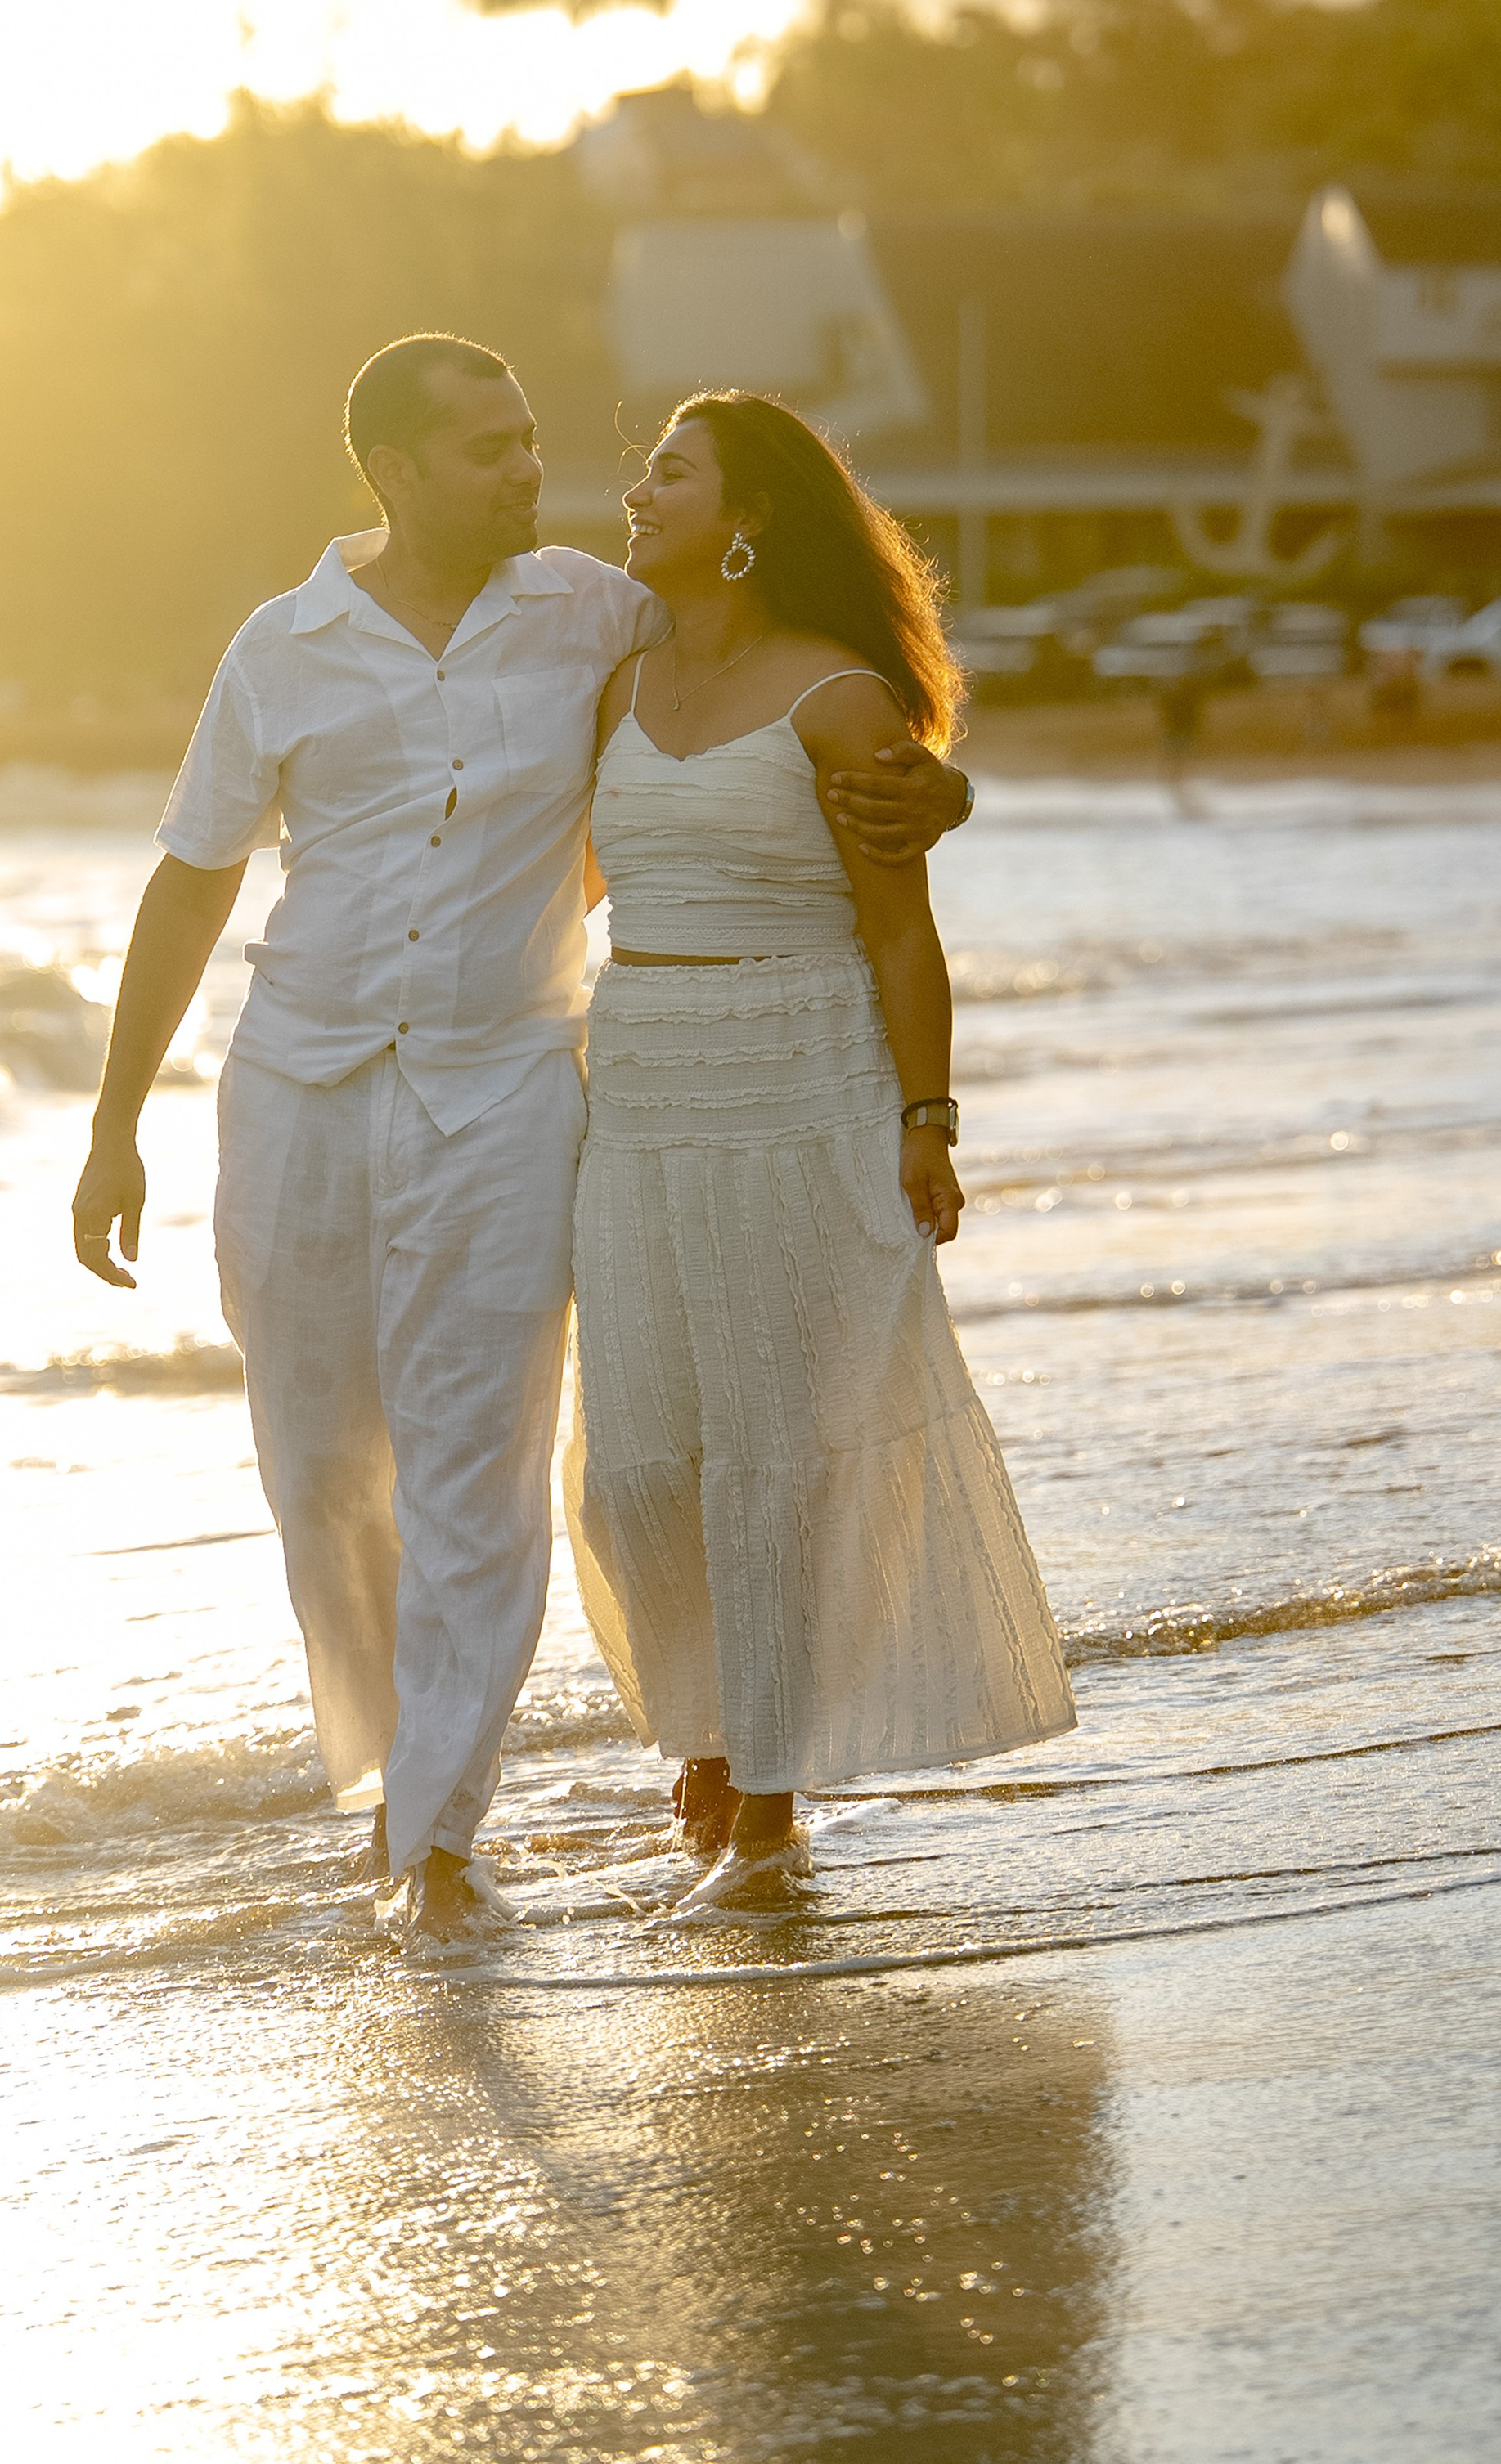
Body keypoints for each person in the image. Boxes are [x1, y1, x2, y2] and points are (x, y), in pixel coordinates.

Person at [71, 338, 973, 1944]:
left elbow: (779, 691)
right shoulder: (281, 646)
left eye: (530, 438)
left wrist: (939, 795)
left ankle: (433, 1841)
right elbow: (193, 878)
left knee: (476, 1472)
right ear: (396, 471)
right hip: (297, 1086)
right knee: (321, 1472)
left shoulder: (594, 610)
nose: (532, 471)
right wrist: (113, 1122)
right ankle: (392, 1785)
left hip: (507, 1092)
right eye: (489, 449)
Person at [566, 392, 1075, 1910]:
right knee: (640, 1457)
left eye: (671, 472)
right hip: (638, 1093)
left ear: (751, 517)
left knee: (776, 1450)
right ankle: (713, 1724)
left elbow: (903, 935)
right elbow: (558, 877)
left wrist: (929, 1118)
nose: (637, 491)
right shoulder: (614, 679)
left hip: (802, 1083)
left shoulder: (838, 701)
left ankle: (768, 1799)